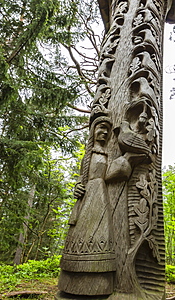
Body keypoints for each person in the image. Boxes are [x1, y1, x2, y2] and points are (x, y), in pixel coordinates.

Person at [58, 117, 116, 296]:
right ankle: (72, 280)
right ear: (93, 131)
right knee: (80, 235)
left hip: (100, 197)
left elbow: (109, 173)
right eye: (101, 128)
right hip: (87, 198)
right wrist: (78, 187)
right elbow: (80, 177)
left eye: (107, 130)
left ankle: (100, 281)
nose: (105, 132)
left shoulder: (108, 153)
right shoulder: (88, 155)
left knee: (101, 235)